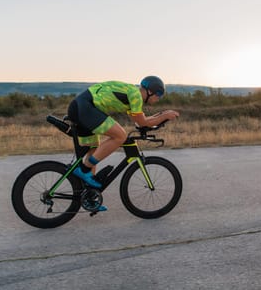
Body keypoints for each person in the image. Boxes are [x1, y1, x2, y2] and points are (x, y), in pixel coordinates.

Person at [67, 76, 179, 210]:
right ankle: (84, 169)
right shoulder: (136, 95)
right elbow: (142, 123)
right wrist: (164, 116)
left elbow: (139, 121)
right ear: (151, 91)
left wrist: (161, 115)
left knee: (94, 149)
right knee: (120, 136)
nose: (159, 98)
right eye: (159, 94)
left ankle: (90, 196)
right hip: (85, 107)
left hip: (80, 106)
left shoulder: (132, 93)